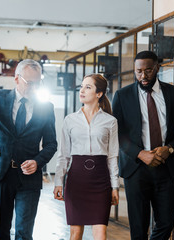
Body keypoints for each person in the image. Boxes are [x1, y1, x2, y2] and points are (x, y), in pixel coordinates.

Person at [112, 51, 174, 239]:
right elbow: (117, 133)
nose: (143, 76)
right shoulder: (122, 96)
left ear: (157, 67)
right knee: (138, 227)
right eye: (138, 71)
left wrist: (169, 149)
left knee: (166, 222)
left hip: (167, 168)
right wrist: (140, 154)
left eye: (148, 70)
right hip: (136, 169)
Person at [0, 59, 57, 240]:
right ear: (17, 79)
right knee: (1, 231)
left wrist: (38, 162)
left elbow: (51, 144)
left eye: (38, 83)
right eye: (30, 83)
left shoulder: (46, 108)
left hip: (29, 178)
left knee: (24, 233)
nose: (35, 88)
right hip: (1, 174)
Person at [53, 74, 119, 240]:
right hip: (76, 181)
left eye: (88, 87)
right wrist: (58, 182)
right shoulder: (70, 120)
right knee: (75, 234)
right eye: (82, 86)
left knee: (101, 233)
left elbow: (112, 157)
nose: (82, 90)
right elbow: (63, 155)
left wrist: (115, 186)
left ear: (99, 93)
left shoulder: (110, 121)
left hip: (101, 181)